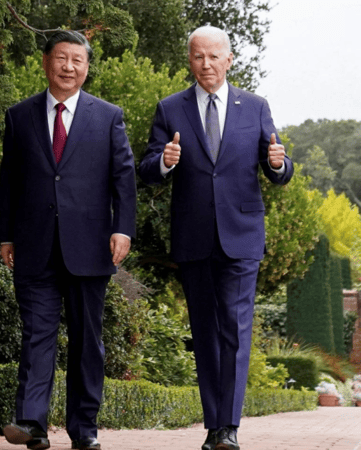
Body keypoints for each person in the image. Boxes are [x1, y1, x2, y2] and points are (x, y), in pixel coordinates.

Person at [139, 26, 293, 450]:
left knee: (236, 330)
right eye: (197, 57)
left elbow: (276, 164)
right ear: (188, 60)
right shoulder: (170, 108)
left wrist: (280, 165)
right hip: (193, 237)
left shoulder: (256, 107)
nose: (205, 65)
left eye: (213, 57)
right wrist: (165, 163)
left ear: (229, 60)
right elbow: (147, 167)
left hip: (241, 237)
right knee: (205, 333)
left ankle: (229, 427)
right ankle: (214, 425)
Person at [0, 30, 136, 450]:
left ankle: (84, 428)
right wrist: (6, 235)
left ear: (87, 67)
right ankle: (32, 423)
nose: (69, 67)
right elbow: (10, 182)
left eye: (77, 60)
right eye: (61, 58)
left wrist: (123, 228)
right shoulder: (19, 116)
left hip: (91, 245)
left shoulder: (108, 116)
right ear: (46, 62)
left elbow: (123, 179)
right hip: (33, 244)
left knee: (85, 341)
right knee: (37, 334)